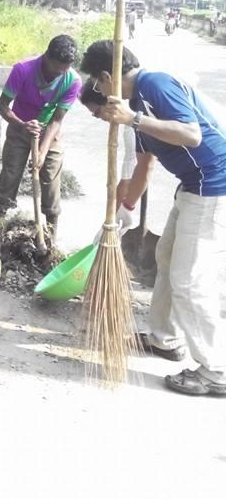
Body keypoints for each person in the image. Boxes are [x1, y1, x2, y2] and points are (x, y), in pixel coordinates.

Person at [81, 40, 226, 397]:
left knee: (191, 280)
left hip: (214, 187)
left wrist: (134, 119)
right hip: (192, 187)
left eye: (97, 85)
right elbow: (145, 164)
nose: (97, 92)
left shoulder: (154, 85)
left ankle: (216, 370)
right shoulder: (133, 103)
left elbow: (191, 135)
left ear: (105, 77)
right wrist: (122, 202)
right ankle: (164, 338)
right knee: (166, 258)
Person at [0, 34, 81, 241]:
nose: (58, 74)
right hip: (19, 127)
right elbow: (2, 106)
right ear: (46, 57)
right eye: (55, 69)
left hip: (50, 133)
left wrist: (42, 152)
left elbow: (57, 120)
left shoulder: (73, 81)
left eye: (64, 70)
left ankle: (49, 237)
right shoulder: (22, 70)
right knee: (10, 174)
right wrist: (22, 125)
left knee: (50, 179)